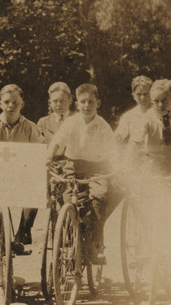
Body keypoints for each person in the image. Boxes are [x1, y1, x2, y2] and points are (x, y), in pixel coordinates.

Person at [47, 83, 116, 263]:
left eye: (90, 102)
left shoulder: (103, 126)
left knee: (98, 199)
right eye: (83, 102)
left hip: (97, 168)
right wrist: (49, 155)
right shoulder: (71, 122)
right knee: (69, 201)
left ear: (97, 103)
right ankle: (72, 242)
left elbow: (113, 149)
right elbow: (58, 140)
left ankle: (96, 244)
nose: (86, 106)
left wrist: (117, 165)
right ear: (76, 104)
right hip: (73, 167)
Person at [0, 84, 45, 259]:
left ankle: (20, 235)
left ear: (22, 103)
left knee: (38, 187)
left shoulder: (30, 127)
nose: (11, 106)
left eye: (15, 102)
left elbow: (41, 149)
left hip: (21, 178)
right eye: (7, 102)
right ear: (0, 104)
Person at [114, 75, 153, 168]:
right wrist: (116, 138)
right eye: (139, 94)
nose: (143, 98)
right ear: (133, 96)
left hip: (155, 157)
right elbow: (120, 133)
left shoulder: (157, 113)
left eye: (146, 94)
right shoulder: (129, 116)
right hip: (135, 158)